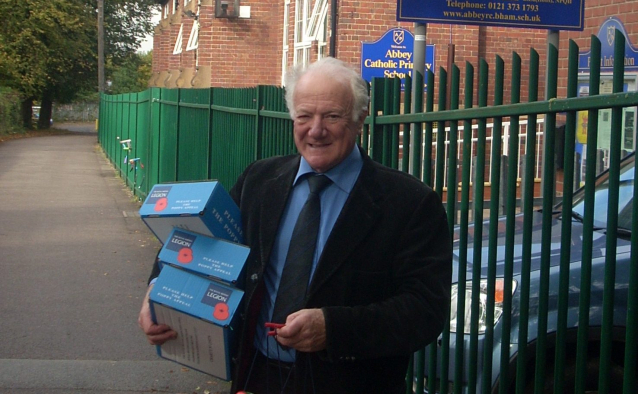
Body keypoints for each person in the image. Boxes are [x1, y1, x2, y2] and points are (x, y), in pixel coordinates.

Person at [138, 57, 452, 394]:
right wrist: (158, 289)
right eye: (304, 116)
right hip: (257, 376)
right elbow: (201, 238)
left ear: (360, 119)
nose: (316, 130)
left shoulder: (410, 203)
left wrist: (333, 329)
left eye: (332, 116)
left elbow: (425, 311)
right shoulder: (259, 180)